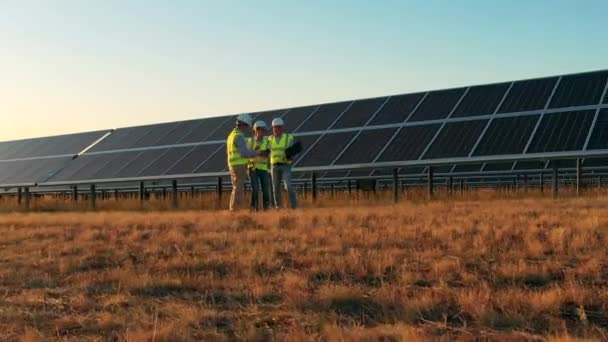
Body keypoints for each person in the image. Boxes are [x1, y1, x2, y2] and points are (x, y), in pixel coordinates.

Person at [226, 114, 262, 211]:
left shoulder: (231, 135)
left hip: (232, 165)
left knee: (235, 188)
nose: (247, 129)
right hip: (239, 166)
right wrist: (258, 152)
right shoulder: (239, 136)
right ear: (243, 125)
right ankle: (235, 210)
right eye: (247, 126)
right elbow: (245, 153)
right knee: (238, 189)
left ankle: (233, 209)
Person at [268, 118, 298, 209]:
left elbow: (292, 151)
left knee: (288, 186)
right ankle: (278, 207)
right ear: (273, 128)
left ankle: (294, 206)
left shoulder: (288, 138)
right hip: (274, 166)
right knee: (275, 188)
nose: (276, 129)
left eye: (278, 127)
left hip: (285, 165)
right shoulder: (269, 139)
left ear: (282, 128)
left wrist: (290, 156)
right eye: (275, 127)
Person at [247, 121, 271, 211]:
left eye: (263, 130)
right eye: (261, 130)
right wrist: (260, 152)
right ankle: (254, 207)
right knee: (255, 189)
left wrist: (257, 152)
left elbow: (267, 154)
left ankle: (266, 208)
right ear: (256, 131)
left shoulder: (267, 142)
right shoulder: (250, 141)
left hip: (263, 169)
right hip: (252, 168)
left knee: (265, 190)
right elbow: (248, 154)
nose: (262, 132)